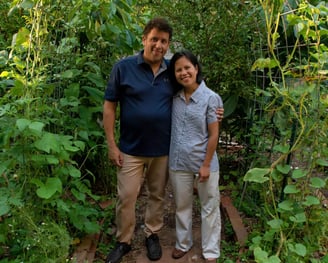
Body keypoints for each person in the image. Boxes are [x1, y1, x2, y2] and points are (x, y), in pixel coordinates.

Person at [103, 18, 224, 263]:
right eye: (155, 39)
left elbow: (193, 83)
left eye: (164, 41)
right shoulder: (123, 68)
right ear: (144, 38)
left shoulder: (172, 71)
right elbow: (109, 106)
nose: (158, 45)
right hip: (130, 149)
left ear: (168, 45)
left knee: (157, 195)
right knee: (127, 196)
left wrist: (215, 106)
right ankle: (123, 241)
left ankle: (152, 234)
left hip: (162, 150)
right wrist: (112, 144)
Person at [168, 50, 222, 263]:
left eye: (187, 67)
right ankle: (183, 243)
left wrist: (206, 164)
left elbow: (214, 134)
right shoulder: (174, 97)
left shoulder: (210, 98)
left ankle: (210, 251)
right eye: (178, 69)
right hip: (178, 161)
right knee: (182, 205)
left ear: (196, 68)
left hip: (204, 162)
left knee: (209, 206)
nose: (184, 72)